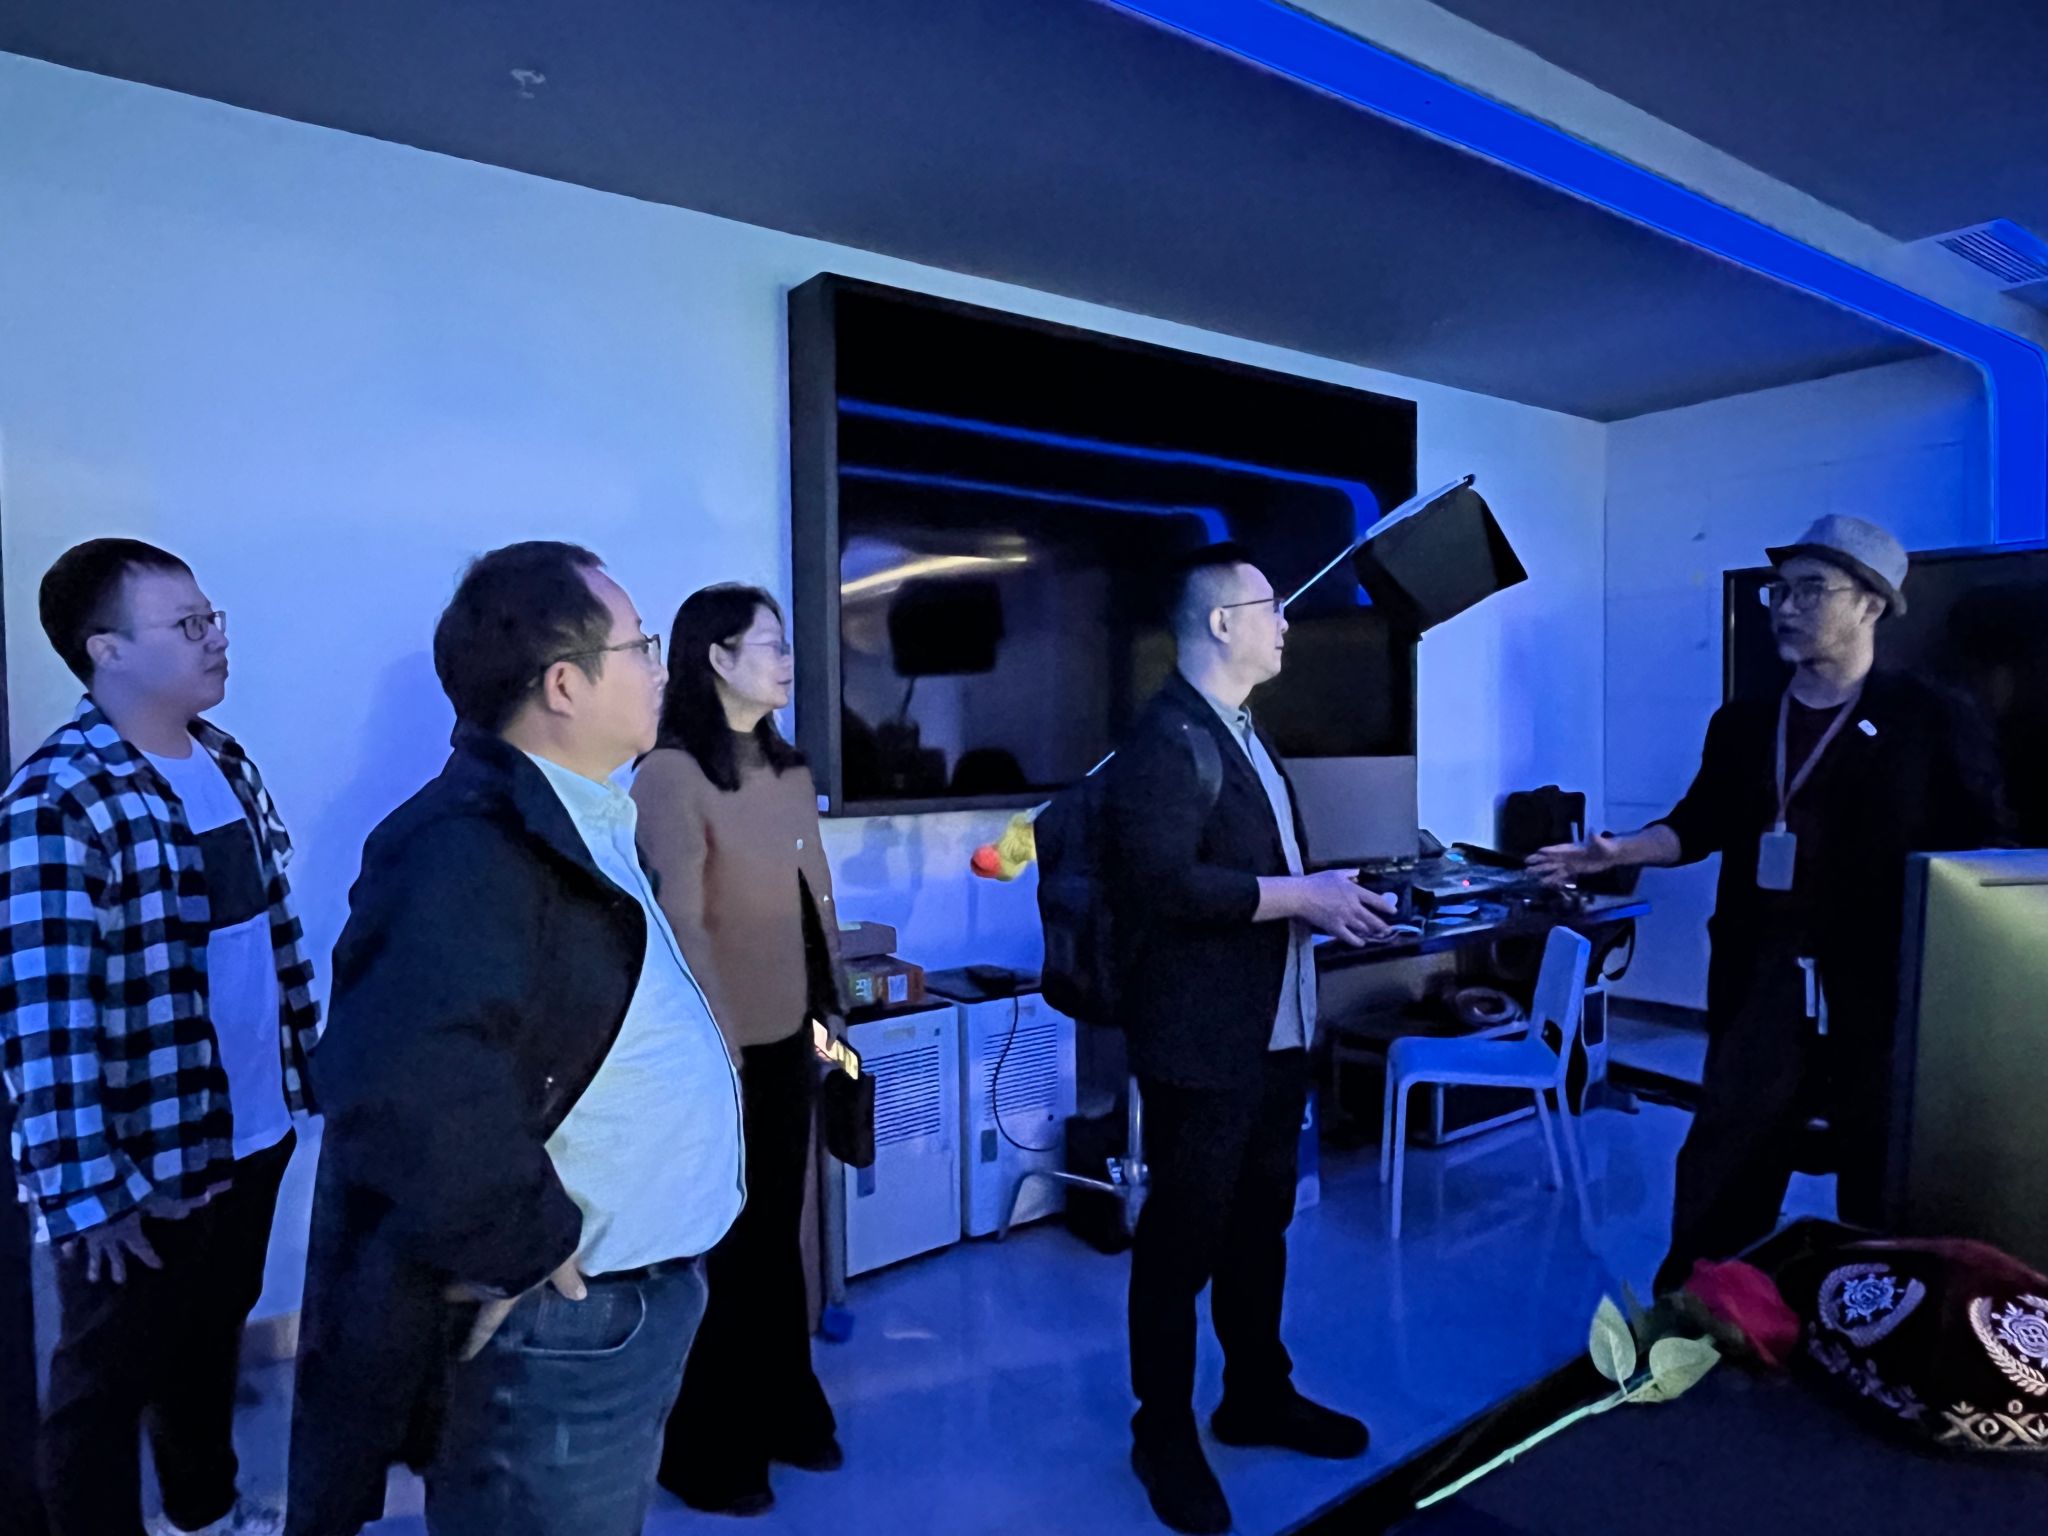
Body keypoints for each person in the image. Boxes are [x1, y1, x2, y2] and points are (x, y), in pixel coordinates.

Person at [286, 542, 745, 1536]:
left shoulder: (582, 815)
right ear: (565, 685)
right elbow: (401, 1081)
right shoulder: (463, 843)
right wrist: (523, 1245)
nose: (660, 669)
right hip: (563, 1316)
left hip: (624, 1299)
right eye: (640, 646)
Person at [1530, 516, 2008, 1292]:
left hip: (1880, 990)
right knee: (1724, 1172)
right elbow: (1698, 824)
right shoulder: (1745, 722)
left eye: (1809, 590)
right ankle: (1695, 1320)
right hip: (1762, 979)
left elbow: (1983, 857)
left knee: (1879, 1180)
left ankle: (1866, 1323)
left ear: (1871, 604)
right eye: (1777, 591)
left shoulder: (1930, 718)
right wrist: (1621, 851)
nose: (1784, 607)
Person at [0, 539, 320, 1536]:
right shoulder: (58, 798)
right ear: (106, 650)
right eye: (187, 625)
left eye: (211, 618)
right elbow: (46, 1013)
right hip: (143, 1157)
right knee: (102, 1383)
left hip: (250, 1127)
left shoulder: (222, 756)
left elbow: (267, 943)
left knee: (210, 1335)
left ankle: (203, 1511)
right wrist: (88, 1191)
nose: (215, 637)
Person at [1107, 544, 1395, 1536]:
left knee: (1259, 1226)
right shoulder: (1164, 739)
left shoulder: (1243, 733)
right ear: (1221, 622)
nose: (1286, 623)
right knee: (1179, 1243)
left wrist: (1335, 899)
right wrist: (1299, 897)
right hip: (1201, 1043)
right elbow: (1159, 882)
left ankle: (1255, 1393)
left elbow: (1262, 870)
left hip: (1275, 1034)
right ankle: (1161, 1431)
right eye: (1269, 606)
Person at [632, 584, 845, 1515]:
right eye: (772, 645)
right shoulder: (670, 775)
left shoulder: (787, 770)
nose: (789, 661)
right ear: (716, 658)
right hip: (721, 1052)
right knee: (726, 1246)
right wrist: (718, 1049)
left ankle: (789, 1406)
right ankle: (708, 1448)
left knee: (777, 1236)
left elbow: (814, 906)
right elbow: (681, 925)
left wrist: (834, 1015)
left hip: (793, 1034)